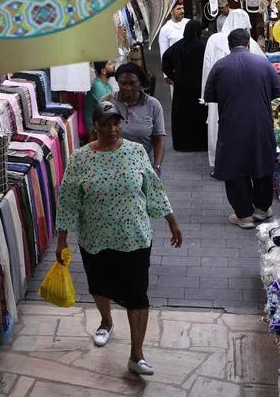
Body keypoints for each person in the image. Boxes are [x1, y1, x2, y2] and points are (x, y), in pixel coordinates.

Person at [56, 98, 184, 376]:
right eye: (106, 124)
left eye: (116, 124)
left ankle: (136, 355)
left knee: (137, 294)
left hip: (134, 237)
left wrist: (171, 221)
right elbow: (67, 200)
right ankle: (106, 322)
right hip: (95, 238)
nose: (113, 130)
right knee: (100, 286)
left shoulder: (136, 152)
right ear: (95, 127)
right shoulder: (80, 158)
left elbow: (154, 188)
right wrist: (61, 239)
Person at [203, 28, 280, 229]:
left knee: (235, 167)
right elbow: (277, 91)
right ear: (248, 43)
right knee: (262, 164)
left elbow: (210, 96)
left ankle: (244, 215)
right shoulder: (263, 64)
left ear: (230, 46)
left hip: (232, 125)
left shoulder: (220, 66)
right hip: (261, 124)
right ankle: (262, 208)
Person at [199, 8, 265, 176]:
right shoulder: (251, 44)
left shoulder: (214, 40)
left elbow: (207, 68)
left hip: (219, 95)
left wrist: (206, 95)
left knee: (218, 128)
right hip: (246, 98)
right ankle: (243, 163)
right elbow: (265, 67)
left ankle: (219, 164)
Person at [160, 20, 210, 152]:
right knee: (200, 116)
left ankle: (183, 144)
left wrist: (174, 77)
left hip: (181, 89)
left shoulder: (177, 47)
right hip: (200, 88)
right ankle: (201, 144)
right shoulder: (204, 47)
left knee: (182, 116)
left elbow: (165, 63)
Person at [112, 63, 167, 173]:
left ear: (140, 83)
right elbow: (95, 135)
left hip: (144, 168)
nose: (127, 87)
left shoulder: (153, 105)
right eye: (123, 83)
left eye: (132, 83)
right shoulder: (108, 101)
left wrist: (156, 167)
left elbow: (159, 139)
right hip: (113, 168)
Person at [83, 60, 116, 136]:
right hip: (95, 128)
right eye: (110, 64)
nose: (113, 66)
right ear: (103, 71)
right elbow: (108, 108)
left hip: (103, 122)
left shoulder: (106, 84)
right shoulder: (97, 86)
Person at [157, 3, 187, 68]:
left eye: (183, 8)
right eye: (179, 9)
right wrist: (167, 76)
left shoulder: (188, 23)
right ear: (171, 11)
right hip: (176, 67)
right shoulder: (165, 29)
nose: (182, 11)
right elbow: (164, 54)